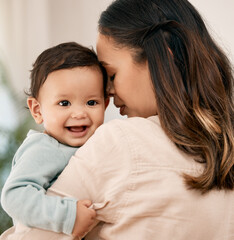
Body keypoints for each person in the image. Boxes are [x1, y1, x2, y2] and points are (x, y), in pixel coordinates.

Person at [2, 0, 234, 239]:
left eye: (111, 75)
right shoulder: (226, 153)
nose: (108, 93)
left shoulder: (121, 142)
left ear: (163, 60)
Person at [0, 42, 109, 239]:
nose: (79, 113)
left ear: (106, 104)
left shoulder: (98, 143)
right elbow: (14, 196)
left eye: (91, 102)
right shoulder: (44, 148)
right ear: (37, 110)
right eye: (64, 103)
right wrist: (68, 215)